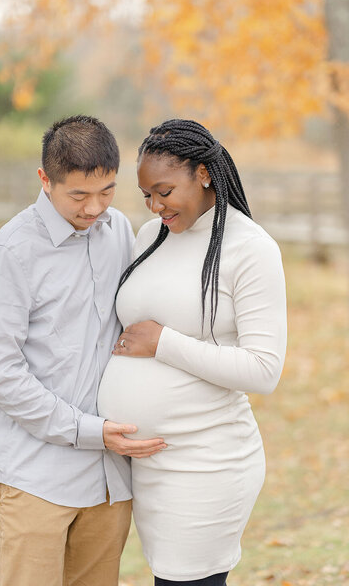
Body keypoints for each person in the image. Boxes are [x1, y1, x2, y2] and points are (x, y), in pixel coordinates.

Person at [0, 115, 166, 586]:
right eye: (78, 195)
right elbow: (1, 374)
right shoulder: (12, 252)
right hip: (37, 476)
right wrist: (89, 431)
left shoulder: (119, 231)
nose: (94, 207)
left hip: (109, 483)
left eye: (107, 191)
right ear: (45, 180)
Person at [98, 119, 287, 586]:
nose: (154, 205)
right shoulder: (151, 237)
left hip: (206, 462)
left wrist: (164, 343)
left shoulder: (250, 248)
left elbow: (264, 370)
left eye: (164, 190)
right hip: (145, 465)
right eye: (146, 195)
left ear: (203, 174)